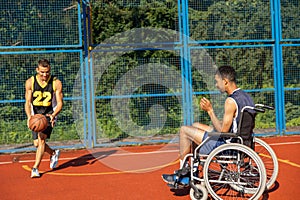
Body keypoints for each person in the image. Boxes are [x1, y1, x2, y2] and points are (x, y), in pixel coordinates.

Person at [162, 65, 255, 186]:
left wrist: (210, 111)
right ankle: (193, 170)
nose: (216, 85)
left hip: (228, 146)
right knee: (196, 125)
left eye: (217, 82)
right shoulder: (246, 97)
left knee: (184, 130)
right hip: (242, 141)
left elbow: (223, 131)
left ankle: (184, 174)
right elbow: (233, 125)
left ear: (225, 81)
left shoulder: (231, 101)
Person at [25, 59, 63, 178]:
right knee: (37, 144)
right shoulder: (30, 82)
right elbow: (27, 102)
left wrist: (53, 114)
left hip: (48, 114)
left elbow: (60, 103)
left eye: (47, 72)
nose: (44, 75)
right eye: (42, 72)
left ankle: (35, 168)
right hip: (36, 115)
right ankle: (53, 153)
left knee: (41, 140)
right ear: (37, 70)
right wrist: (28, 117)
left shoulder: (56, 83)